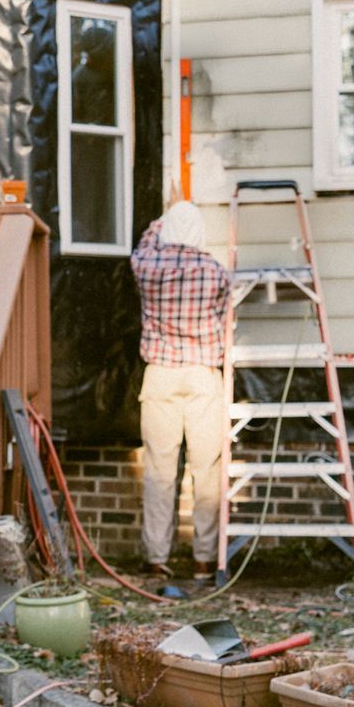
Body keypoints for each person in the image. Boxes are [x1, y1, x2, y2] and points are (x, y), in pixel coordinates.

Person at [129, 198, 231, 581]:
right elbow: (224, 319)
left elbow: (143, 246)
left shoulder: (147, 267)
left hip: (161, 375)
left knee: (159, 470)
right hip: (204, 374)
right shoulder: (216, 272)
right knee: (207, 470)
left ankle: (157, 559)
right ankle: (205, 559)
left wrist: (161, 218)